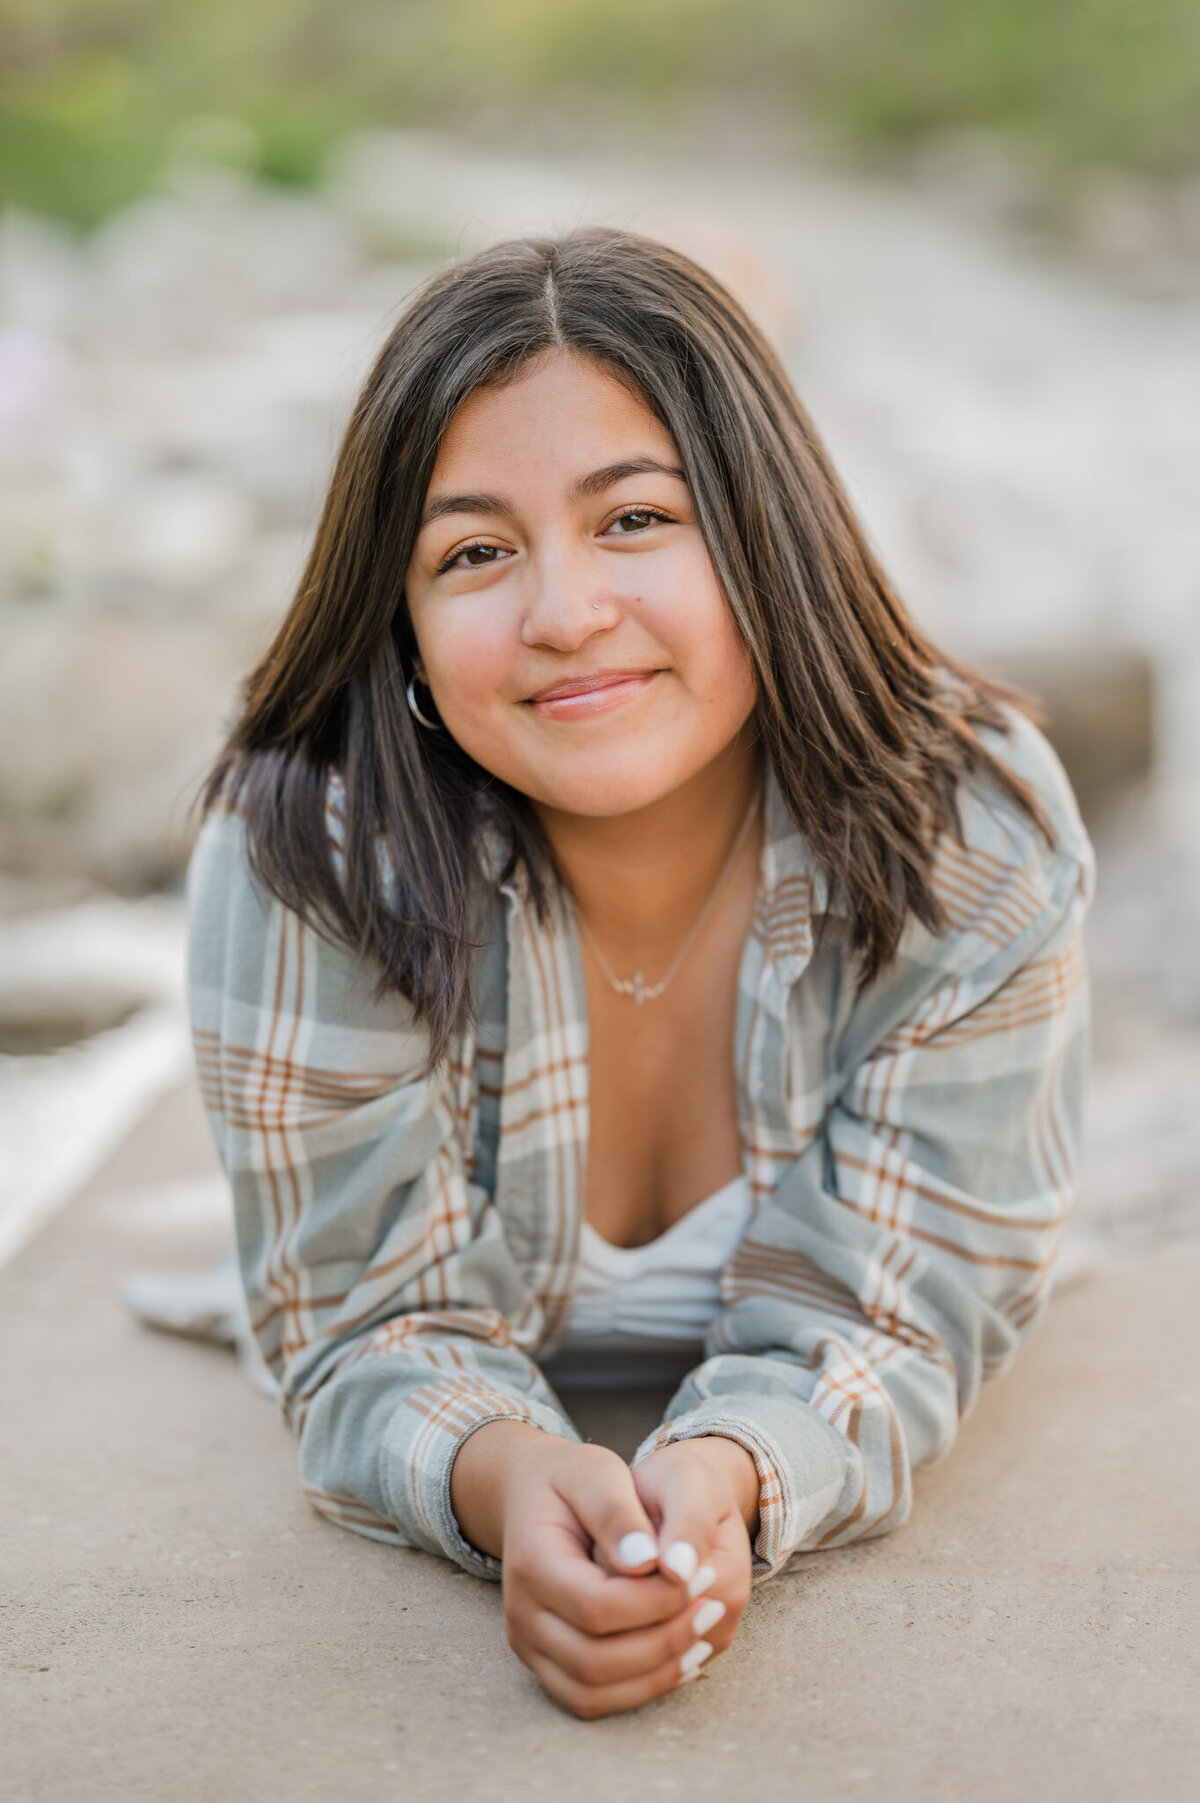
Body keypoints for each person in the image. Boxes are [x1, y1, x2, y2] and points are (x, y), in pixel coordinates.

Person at [187, 227, 1094, 1719]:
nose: (560, 612)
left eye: (636, 519)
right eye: (473, 551)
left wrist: (729, 1479)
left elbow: (904, 1306)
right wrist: (509, 1478)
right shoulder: (313, 843)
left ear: (764, 533)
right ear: (403, 624)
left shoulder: (972, 833)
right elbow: (359, 1323)